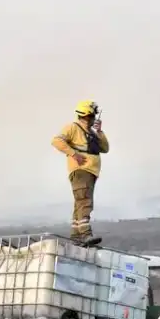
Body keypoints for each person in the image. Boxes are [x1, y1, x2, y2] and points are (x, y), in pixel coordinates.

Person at [51, 99, 110, 246]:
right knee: (84, 201)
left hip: (91, 171)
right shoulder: (72, 128)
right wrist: (73, 154)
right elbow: (57, 141)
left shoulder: (92, 132)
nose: (94, 118)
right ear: (86, 115)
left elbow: (105, 148)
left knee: (80, 203)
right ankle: (85, 234)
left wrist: (99, 131)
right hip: (81, 170)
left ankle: (76, 235)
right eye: (92, 116)